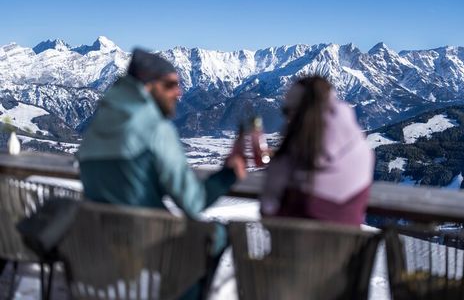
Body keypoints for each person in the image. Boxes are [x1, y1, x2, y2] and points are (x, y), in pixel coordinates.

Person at [77, 48, 246, 298]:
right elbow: (193, 201)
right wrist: (229, 174)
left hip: (98, 249)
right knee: (215, 234)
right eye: (170, 85)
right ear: (147, 87)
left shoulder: (95, 127)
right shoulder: (156, 129)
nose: (179, 92)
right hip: (150, 246)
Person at [260, 76, 374, 226]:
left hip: (290, 246)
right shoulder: (363, 152)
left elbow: (267, 211)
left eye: (287, 111)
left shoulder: (288, 161)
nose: (286, 118)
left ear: (298, 113)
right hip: (349, 247)